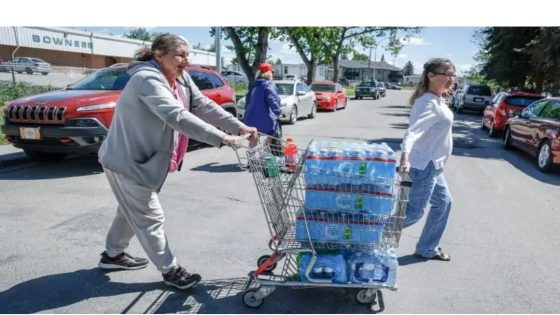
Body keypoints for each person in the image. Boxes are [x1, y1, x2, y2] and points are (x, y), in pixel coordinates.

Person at [96, 34, 258, 290]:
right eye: (180, 54)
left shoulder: (180, 76)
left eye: (187, 55)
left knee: (129, 210)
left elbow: (202, 104)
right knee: (150, 215)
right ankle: (172, 270)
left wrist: (238, 126)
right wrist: (223, 139)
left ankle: (113, 255)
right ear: (159, 54)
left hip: (145, 160)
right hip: (126, 159)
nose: (185, 60)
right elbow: (177, 116)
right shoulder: (146, 79)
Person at [399, 58, 455, 261]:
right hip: (424, 167)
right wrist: (405, 157)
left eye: (453, 75)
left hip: (434, 166)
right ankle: (370, 234)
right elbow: (412, 133)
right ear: (431, 76)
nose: (451, 79)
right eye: (447, 74)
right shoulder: (428, 103)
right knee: (413, 212)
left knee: (444, 203)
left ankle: (427, 248)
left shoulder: (437, 99)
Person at [243, 62, 283, 155]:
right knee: (272, 133)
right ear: (269, 73)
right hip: (264, 117)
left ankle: (252, 159)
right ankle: (269, 156)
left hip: (250, 117)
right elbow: (272, 99)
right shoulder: (268, 84)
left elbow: (247, 100)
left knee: (254, 136)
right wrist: (278, 112)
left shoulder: (254, 85)